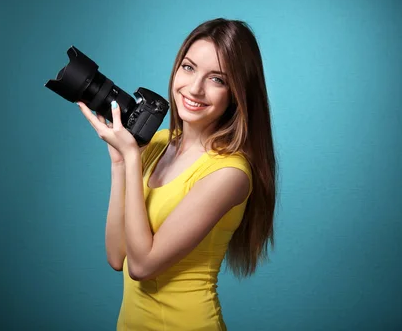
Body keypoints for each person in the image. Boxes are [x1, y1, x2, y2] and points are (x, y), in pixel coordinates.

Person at [78, 18, 277, 330]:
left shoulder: (229, 174)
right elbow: (118, 257)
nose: (194, 88)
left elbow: (143, 266)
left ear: (238, 94)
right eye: (188, 67)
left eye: (218, 80)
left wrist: (131, 158)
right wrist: (119, 163)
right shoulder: (156, 144)